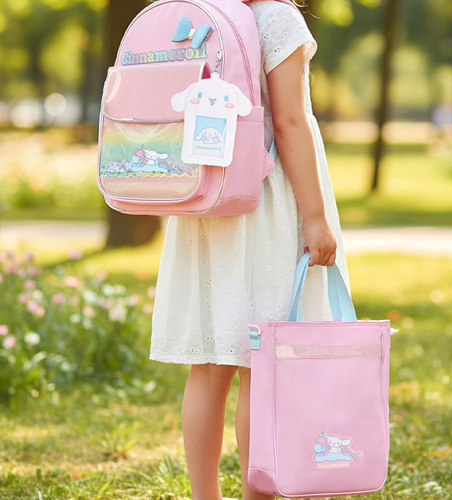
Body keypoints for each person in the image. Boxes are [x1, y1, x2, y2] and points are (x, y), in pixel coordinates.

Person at [150, 1, 351, 499]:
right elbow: (289, 122)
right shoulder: (276, 19)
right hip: (264, 204)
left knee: (209, 366)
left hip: (206, 199)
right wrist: (314, 216)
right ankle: (257, 495)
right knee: (261, 366)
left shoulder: (197, 11)